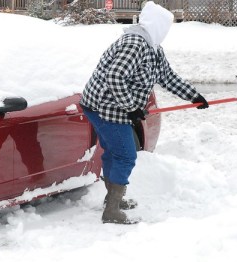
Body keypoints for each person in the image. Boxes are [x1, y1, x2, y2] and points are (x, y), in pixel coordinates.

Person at [80, 1, 209, 224]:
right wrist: (131, 108)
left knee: (114, 152)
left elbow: (167, 77)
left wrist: (193, 96)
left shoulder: (153, 47)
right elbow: (115, 77)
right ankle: (112, 211)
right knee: (125, 155)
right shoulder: (135, 43)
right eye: (166, 26)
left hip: (115, 105)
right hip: (104, 107)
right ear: (157, 24)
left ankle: (113, 200)